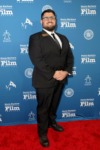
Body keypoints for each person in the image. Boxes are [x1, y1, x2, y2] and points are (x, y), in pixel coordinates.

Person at [28, 9, 74, 147]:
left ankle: (52, 123)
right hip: (44, 80)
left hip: (61, 79)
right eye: (46, 17)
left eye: (52, 17)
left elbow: (69, 57)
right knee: (43, 108)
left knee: (54, 105)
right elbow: (36, 59)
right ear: (42, 21)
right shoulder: (35, 38)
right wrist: (54, 73)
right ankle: (42, 134)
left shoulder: (63, 38)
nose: (49, 19)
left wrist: (66, 72)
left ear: (56, 20)